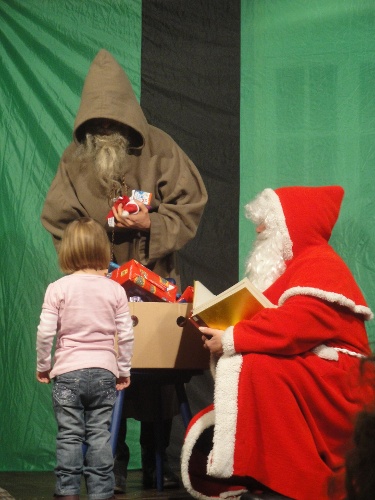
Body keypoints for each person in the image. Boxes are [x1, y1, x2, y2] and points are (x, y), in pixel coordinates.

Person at [41, 48, 208, 492]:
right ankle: (110, 463)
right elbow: (59, 219)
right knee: (100, 371)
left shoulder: (159, 146)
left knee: (160, 378)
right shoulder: (75, 160)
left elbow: (190, 201)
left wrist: (151, 221)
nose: (106, 132)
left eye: (113, 124)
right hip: (101, 283)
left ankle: (161, 460)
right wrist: (92, 249)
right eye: (98, 125)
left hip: (153, 281)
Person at [181, 186, 374, 500]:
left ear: (292, 227)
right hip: (316, 366)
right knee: (258, 366)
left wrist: (232, 338)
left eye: (266, 223)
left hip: (342, 376)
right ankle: (264, 475)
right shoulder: (293, 268)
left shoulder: (320, 264)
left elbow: (298, 325)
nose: (257, 230)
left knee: (261, 367)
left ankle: (294, 480)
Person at [36, 217, 134, 500]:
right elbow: (126, 335)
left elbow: (45, 333)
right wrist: (123, 369)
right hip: (104, 372)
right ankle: (101, 491)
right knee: (99, 434)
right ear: (103, 250)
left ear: (67, 252)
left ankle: (67, 491)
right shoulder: (115, 289)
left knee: (69, 435)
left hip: (67, 373)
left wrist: (44, 365)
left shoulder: (58, 288)